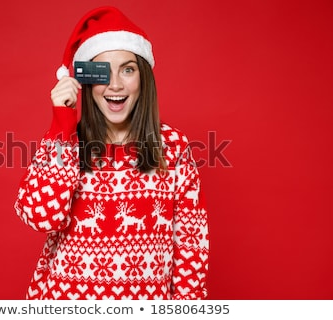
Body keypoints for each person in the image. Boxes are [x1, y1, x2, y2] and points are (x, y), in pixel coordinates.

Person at [14, 6, 209, 300]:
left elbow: (191, 245)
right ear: (87, 80)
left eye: (128, 70)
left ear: (143, 78)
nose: (115, 85)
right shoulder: (65, 142)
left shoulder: (174, 146)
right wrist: (62, 126)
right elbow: (41, 218)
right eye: (103, 71)